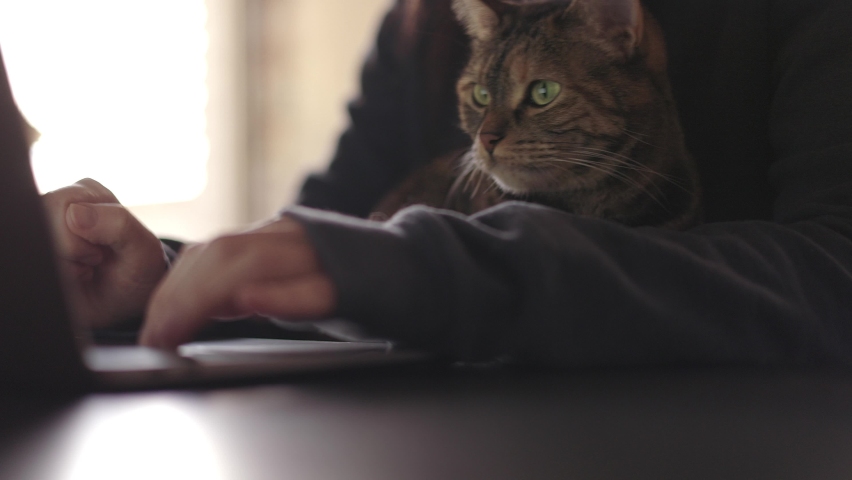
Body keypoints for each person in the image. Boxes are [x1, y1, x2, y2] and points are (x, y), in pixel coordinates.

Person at [42, 0, 852, 366]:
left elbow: (834, 271)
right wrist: (165, 281)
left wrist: (439, 268)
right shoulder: (421, 29)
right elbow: (322, 256)